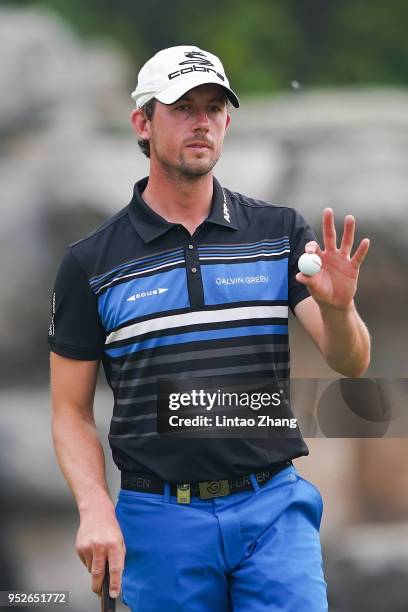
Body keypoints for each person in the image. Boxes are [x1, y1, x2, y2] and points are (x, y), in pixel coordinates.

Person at [49, 45, 370, 611]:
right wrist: (95, 506)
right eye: (183, 106)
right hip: (159, 521)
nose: (202, 120)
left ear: (228, 119)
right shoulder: (90, 263)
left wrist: (342, 310)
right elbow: (69, 409)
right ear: (142, 123)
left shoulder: (279, 231)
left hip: (272, 508)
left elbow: (351, 362)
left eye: (214, 106)